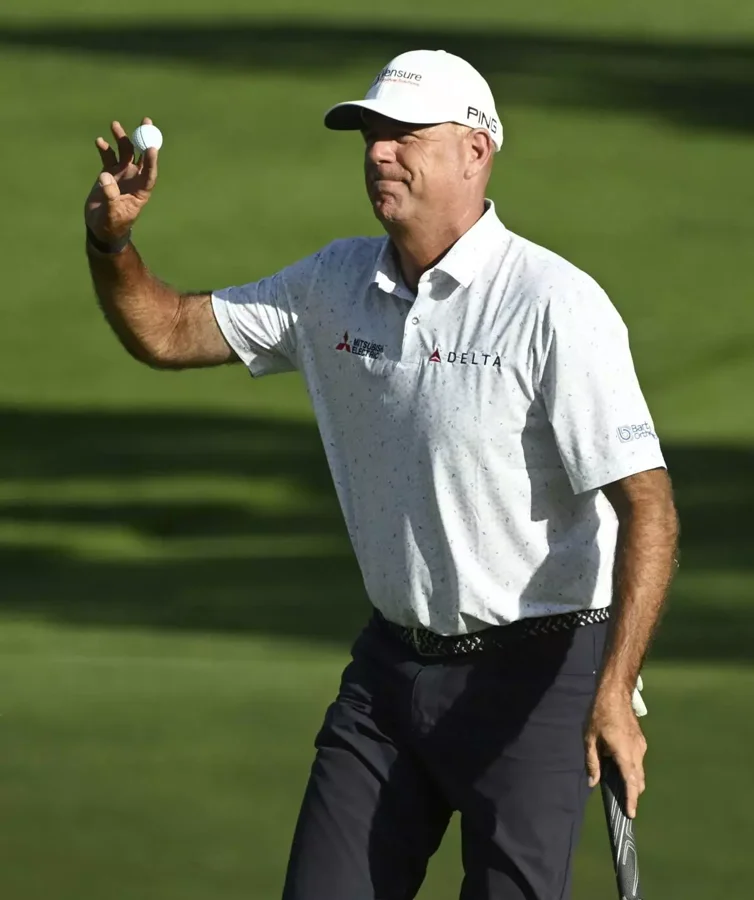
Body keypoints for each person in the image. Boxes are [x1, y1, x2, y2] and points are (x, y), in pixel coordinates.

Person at [84, 49, 679, 900]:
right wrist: (112, 242)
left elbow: (647, 505)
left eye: (404, 135)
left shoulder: (553, 302)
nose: (378, 154)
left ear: (477, 151)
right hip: (391, 674)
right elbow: (169, 332)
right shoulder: (333, 282)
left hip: (541, 676)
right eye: (369, 135)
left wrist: (615, 689)